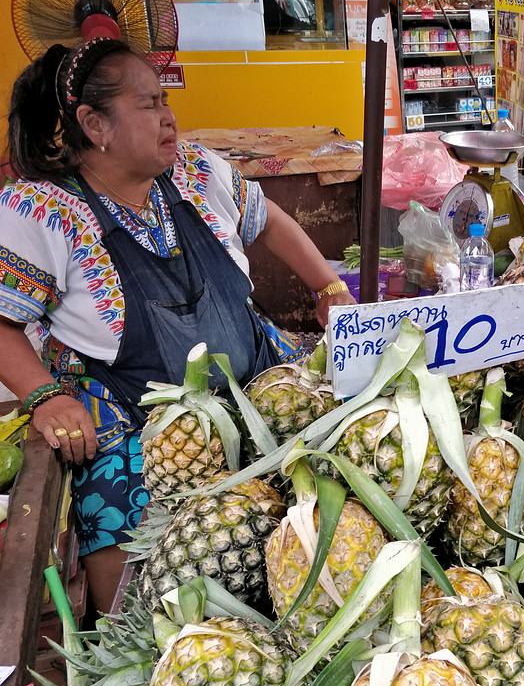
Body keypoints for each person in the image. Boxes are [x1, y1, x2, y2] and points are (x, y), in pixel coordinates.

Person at [0, 38, 355, 613]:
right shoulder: (40, 212)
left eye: (165, 99)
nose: (169, 117)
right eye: (149, 104)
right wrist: (41, 397)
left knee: (336, 459)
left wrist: (330, 288)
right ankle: (127, 626)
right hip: (134, 410)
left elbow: (268, 221)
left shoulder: (195, 170)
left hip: (250, 379)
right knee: (114, 496)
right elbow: (2, 325)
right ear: (95, 124)